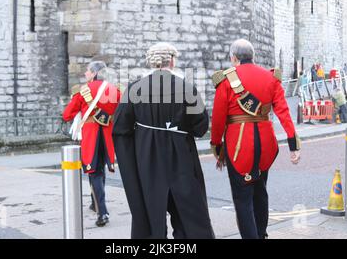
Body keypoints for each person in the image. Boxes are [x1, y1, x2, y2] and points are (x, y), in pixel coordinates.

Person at [112, 42, 215, 239]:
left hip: (147, 160)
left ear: (151, 62)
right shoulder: (186, 88)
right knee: (189, 215)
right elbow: (200, 127)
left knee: (151, 213)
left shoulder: (134, 89)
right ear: (172, 60)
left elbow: (120, 128)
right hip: (182, 159)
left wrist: (139, 145)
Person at [210, 39, 301, 239]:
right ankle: (261, 234)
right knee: (260, 192)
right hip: (266, 144)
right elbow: (283, 112)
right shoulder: (270, 78)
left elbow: (217, 119)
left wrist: (217, 146)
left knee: (243, 200)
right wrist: (293, 145)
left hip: (238, 146)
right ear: (253, 56)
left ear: (234, 58)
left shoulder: (226, 80)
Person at [62, 61, 121, 227]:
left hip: (91, 135)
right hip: (107, 136)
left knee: (93, 171)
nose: (85, 74)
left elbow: (67, 115)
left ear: (95, 73)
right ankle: (95, 203)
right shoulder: (115, 90)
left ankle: (102, 212)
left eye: (87, 71)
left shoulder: (85, 90)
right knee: (99, 169)